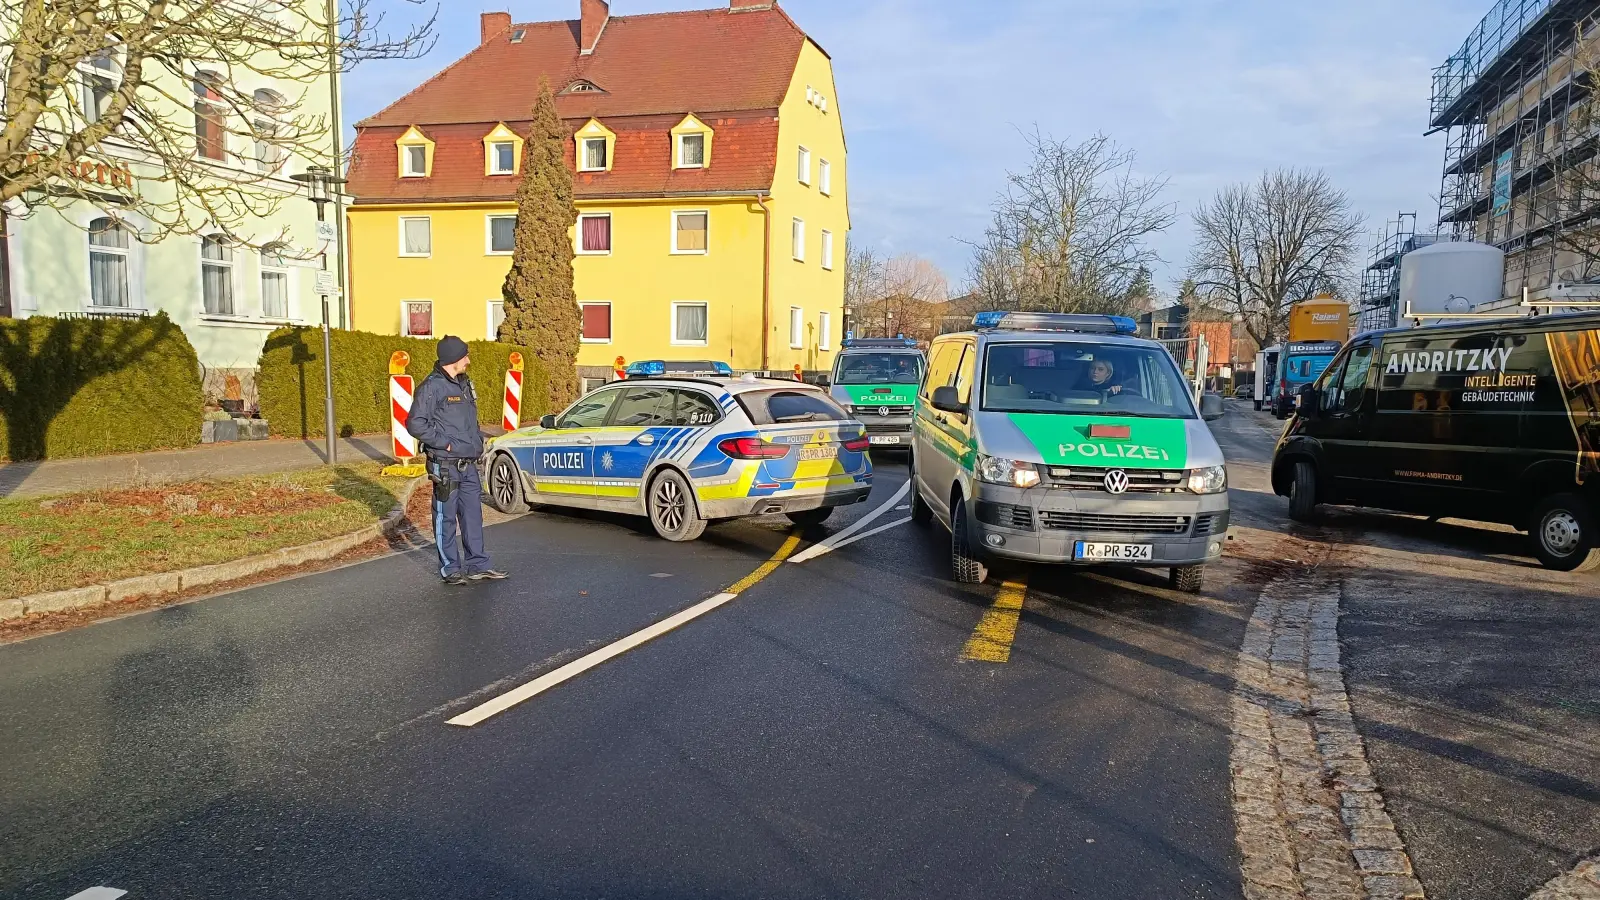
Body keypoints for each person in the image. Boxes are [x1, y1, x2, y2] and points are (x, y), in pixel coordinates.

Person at [407, 336, 506, 586]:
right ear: (453, 359)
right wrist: (445, 443)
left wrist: (478, 443)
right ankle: (450, 568)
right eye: (465, 356)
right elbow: (415, 423)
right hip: (446, 464)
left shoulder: (463, 383)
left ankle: (478, 565)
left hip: (468, 464)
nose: (469, 361)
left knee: (473, 516)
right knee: (446, 517)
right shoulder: (432, 387)